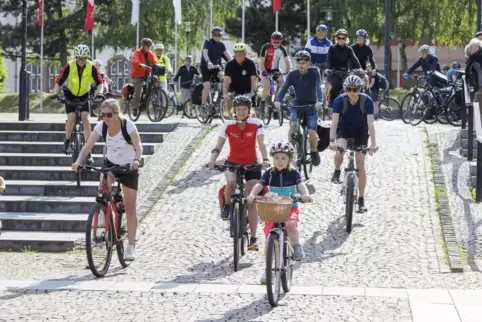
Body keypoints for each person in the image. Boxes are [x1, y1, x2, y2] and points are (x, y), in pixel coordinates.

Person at [71, 99, 143, 261]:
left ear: (117, 114)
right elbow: (87, 146)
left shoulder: (128, 126)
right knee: (102, 188)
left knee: (131, 208)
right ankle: (104, 210)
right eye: (102, 115)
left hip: (128, 167)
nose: (105, 118)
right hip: (110, 164)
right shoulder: (101, 126)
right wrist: (79, 161)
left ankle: (130, 246)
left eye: (109, 115)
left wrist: (137, 160)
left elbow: (138, 146)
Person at [207, 95, 270, 251]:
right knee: (231, 182)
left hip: (252, 164)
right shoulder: (227, 125)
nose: (241, 112)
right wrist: (212, 160)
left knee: (251, 199)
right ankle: (228, 205)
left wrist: (265, 159)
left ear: (249, 111)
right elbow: (218, 145)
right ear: (233, 110)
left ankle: (254, 238)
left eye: (244, 109)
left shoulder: (257, 124)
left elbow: (262, 143)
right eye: (238, 109)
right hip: (232, 163)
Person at [247, 141, 313, 284]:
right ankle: (268, 269)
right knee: (268, 241)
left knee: (290, 224)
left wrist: (305, 195)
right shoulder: (269, 173)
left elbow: (301, 185)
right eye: (277, 158)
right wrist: (252, 194)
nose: (280, 161)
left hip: (289, 207)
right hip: (272, 209)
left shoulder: (293, 173)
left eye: (283, 158)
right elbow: (260, 184)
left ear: (290, 159)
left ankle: (296, 245)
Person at [329, 75, 377, 213]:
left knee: (360, 162)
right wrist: (332, 140)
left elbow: (371, 124)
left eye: (355, 89)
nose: (352, 92)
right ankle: (337, 170)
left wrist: (373, 144)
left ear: (360, 89)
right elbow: (334, 123)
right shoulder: (340, 101)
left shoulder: (366, 101)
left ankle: (361, 199)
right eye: (349, 89)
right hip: (344, 130)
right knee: (340, 150)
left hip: (361, 132)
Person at [51, 44, 104, 164]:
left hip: (84, 95)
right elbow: (59, 81)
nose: (81, 61)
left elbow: (99, 82)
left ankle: (88, 150)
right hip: (70, 94)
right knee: (71, 119)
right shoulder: (69, 65)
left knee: (85, 119)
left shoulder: (92, 66)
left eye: (83, 58)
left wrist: (99, 93)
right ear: (76, 57)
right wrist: (55, 94)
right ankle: (68, 139)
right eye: (79, 58)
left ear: (87, 57)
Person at [275, 50, 323, 167]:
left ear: (308, 63)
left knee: (312, 131)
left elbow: (318, 86)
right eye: (299, 62)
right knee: (292, 125)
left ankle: (314, 151)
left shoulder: (314, 72)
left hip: (311, 105)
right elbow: (285, 88)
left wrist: (320, 101)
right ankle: (290, 151)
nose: (301, 65)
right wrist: (278, 100)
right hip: (297, 105)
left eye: (303, 63)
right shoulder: (292, 74)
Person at [326, 29, 361, 107]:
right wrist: (328, 69)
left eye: (343, 38)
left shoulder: (348, 49)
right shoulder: (332, 48)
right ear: (336, 39)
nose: (341, 40)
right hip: (333, 72)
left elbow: (354, 59)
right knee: (336, 85)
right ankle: (332, 103)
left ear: (346, 39)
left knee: (350, 86)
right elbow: (328, 60)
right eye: (339, 38)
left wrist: (360, 69)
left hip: (345, 72)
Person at [259, 32, 292, 113]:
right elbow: (261, 61)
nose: (276, 44)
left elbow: (287, 61)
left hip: (275, 69)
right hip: (265, 68)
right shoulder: (265, 47)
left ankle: (278, 101)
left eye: (278, 42)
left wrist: (289, 70)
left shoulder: (282, 48)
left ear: (281, 41)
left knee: (283, 82)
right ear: (271, 40)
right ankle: (262, 102)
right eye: (274, 42)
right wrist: (264, 71)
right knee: (267, 86)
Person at [223, 43, 257, 116]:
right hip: (234, 89)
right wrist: (225, 93)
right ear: (234, 54)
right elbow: (225, 80)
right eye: (237, 54)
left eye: (241, 54)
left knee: (251, 113)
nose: (239, 56)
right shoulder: (229, 64)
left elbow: (253, 79)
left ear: (245, 54)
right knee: (229, 103)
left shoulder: (250, 63)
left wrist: (253, 91)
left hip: (247, 89)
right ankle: (230, 115)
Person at [200, 27, 232, 107]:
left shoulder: (221, 45)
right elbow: (205, 53)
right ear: (212, 35)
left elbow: (228, 56)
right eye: (215, 35)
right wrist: (208, 62)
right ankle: (203, 105)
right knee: (207, 85)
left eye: (219, 35)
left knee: (224, 80)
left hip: (216, 68)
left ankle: (220, 100)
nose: (217, 36)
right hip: (206, 67)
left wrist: (234, 63)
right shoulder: (208, 42)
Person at [131, 38, 157, 116]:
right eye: (148, 46)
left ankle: (148, 100)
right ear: (143, 46)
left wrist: (159, 66)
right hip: (138, 76)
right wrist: (141, 65)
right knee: (138, 92)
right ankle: (135, 108)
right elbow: (135, 60)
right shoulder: (137, 52)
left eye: (150, 46)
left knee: (154, 80)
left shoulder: (150, 54)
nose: (149, 47)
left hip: (147, 75)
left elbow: (154, 62)